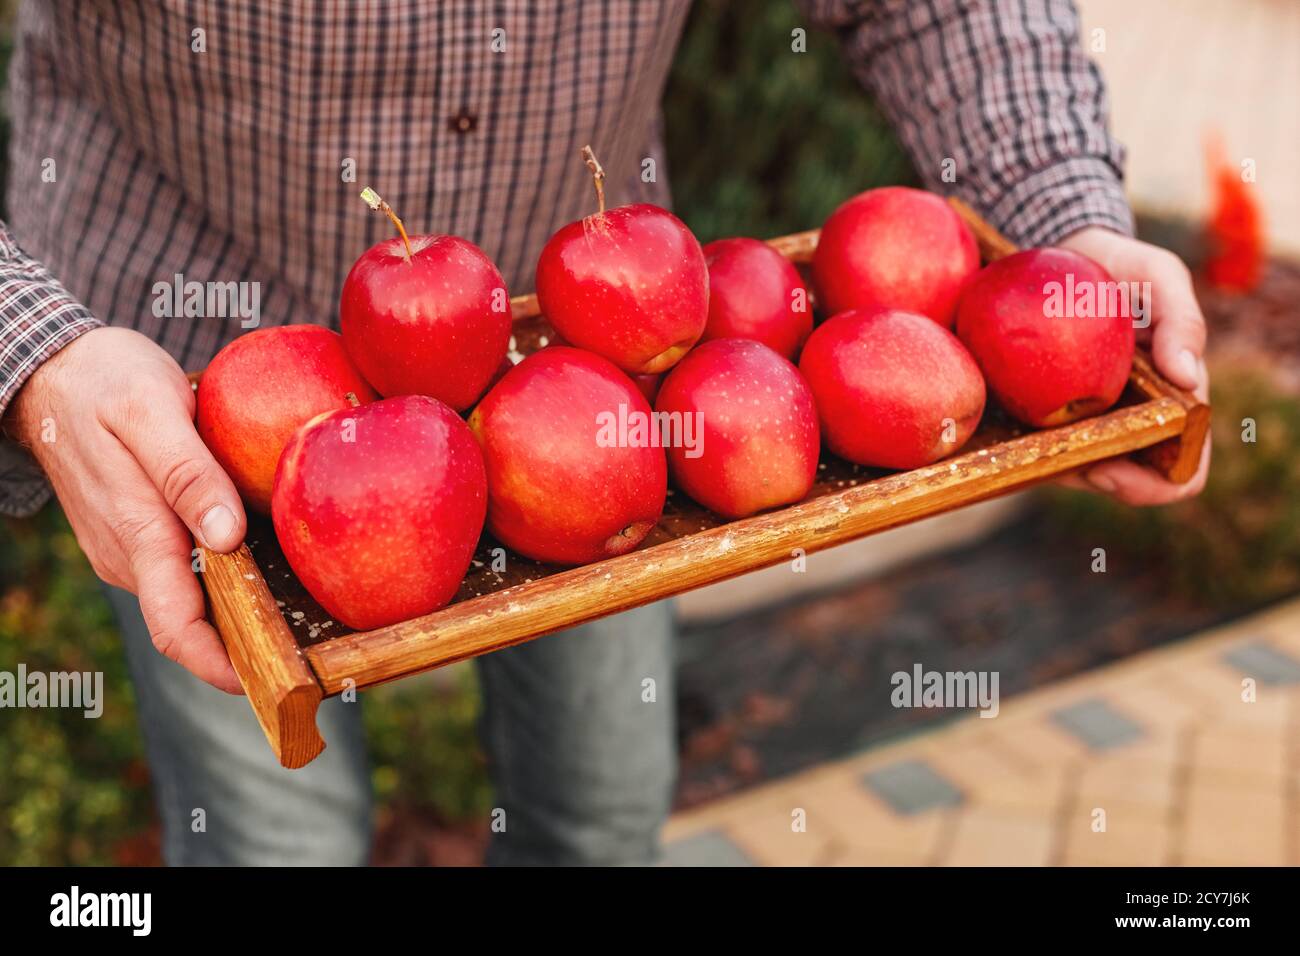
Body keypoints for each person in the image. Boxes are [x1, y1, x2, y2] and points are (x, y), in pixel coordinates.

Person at [0, 1, 1208, 866]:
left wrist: (1061, 211)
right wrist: (33, 350)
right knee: (275, 842)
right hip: (183, 392)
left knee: (600, 817)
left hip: (600, 390)